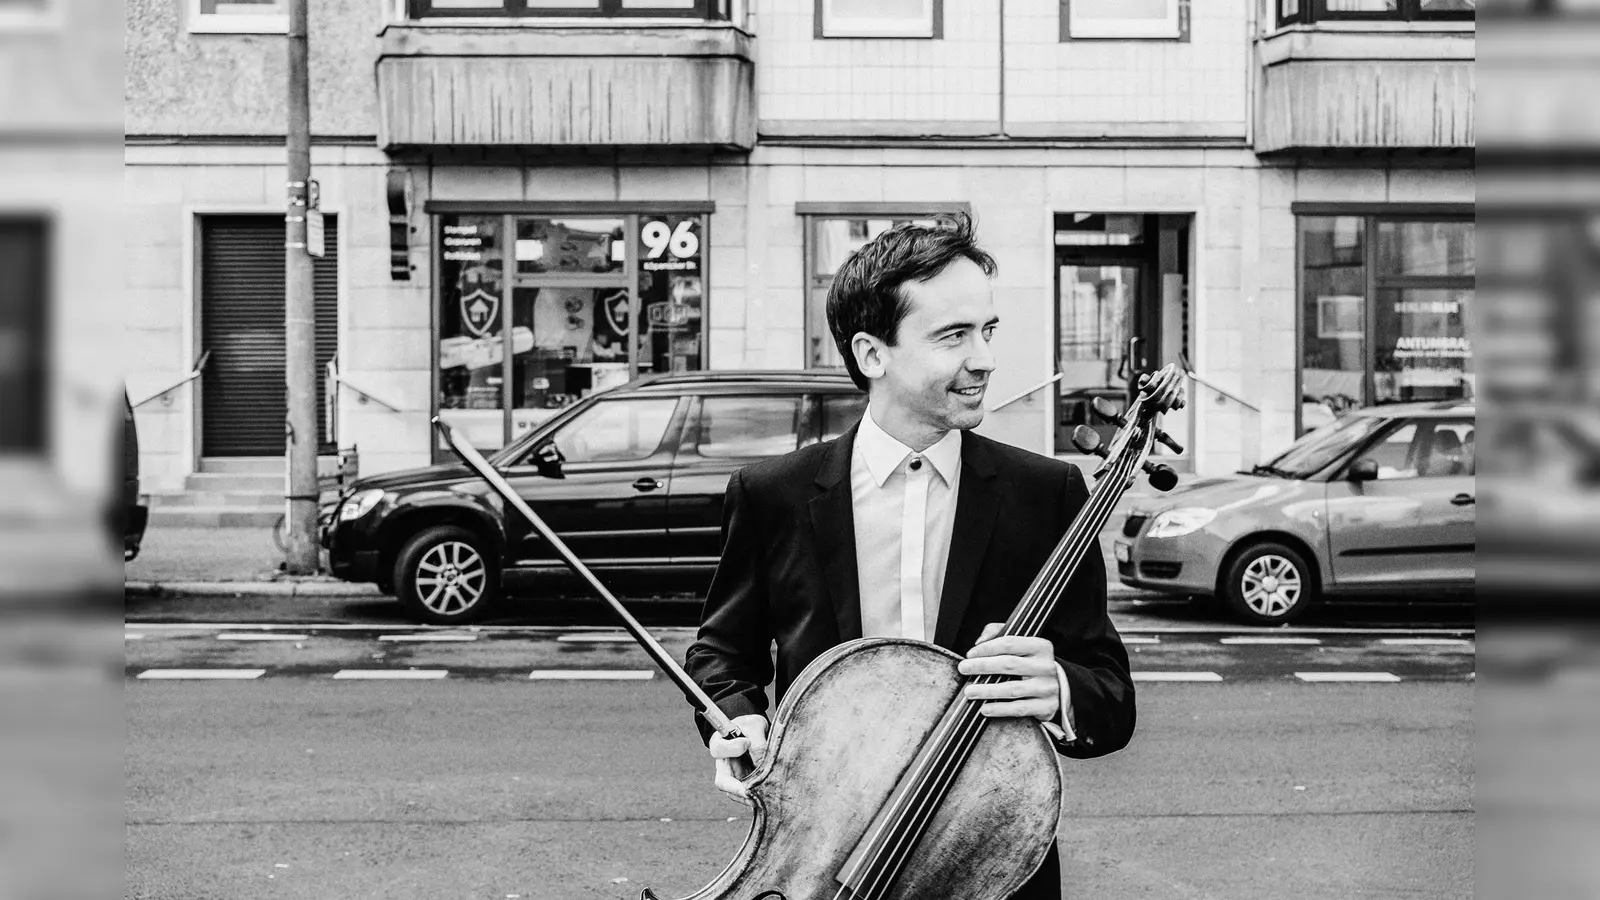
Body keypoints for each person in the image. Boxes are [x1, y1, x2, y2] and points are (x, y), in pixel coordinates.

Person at [683, 214, 1136, 900]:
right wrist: (737, 716)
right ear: (872, 354)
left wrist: (1061, 690)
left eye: (987, 331)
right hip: (820, 856)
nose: (984, 358)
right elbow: (722, 654)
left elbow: (1111, 694)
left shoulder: (1047, 494)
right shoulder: (773, 494)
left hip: (986, 863)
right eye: (953, 336)